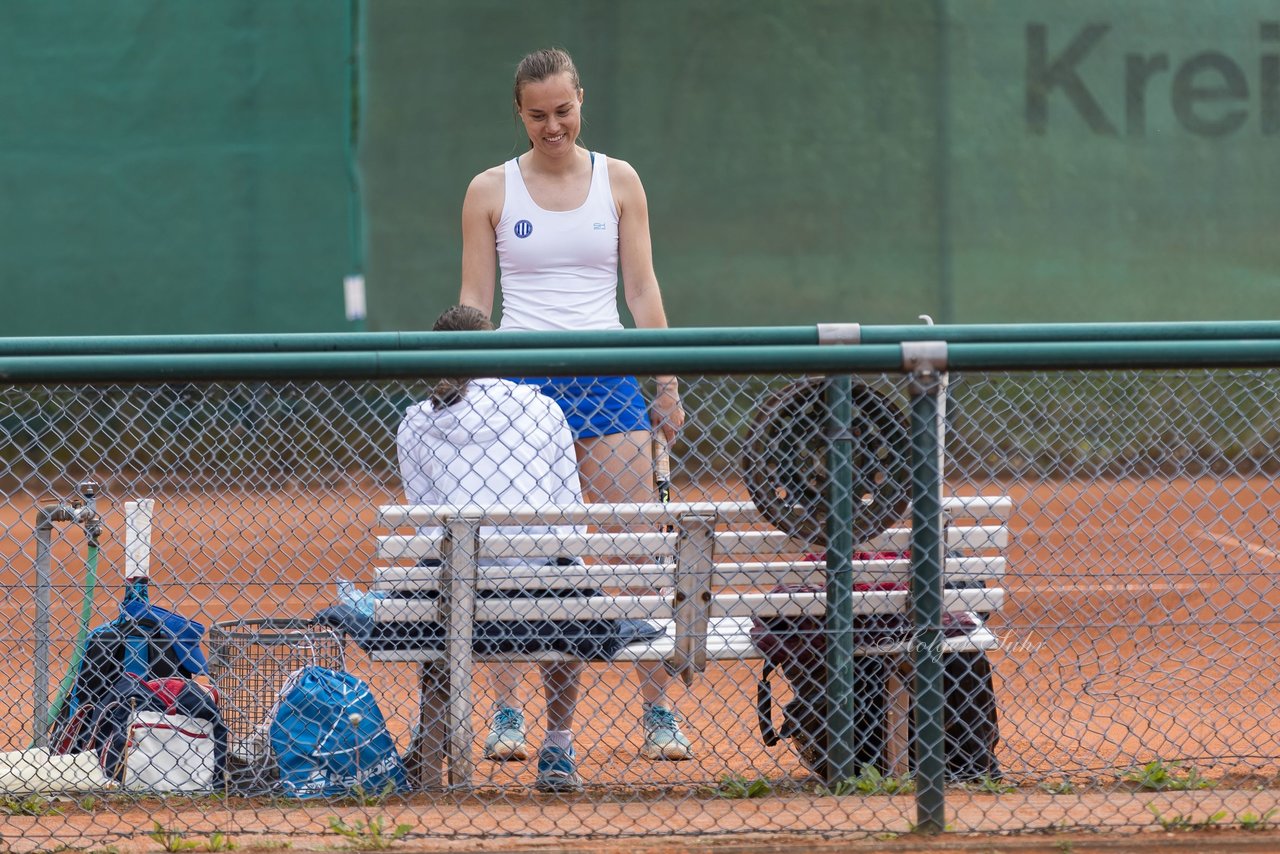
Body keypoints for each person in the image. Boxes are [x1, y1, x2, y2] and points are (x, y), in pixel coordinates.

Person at [458, 47, 691, 761]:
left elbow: (642, 289)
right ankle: (507, 714)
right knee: (519, 558)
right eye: (537, 115)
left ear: (581, 101)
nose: (552, 126)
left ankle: (656, 711)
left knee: (637, 548)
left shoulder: (619, 181)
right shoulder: (489, 190)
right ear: (519, 113)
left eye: (563, 111)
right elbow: (474, 302)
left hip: (606, 382)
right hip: (520, 390)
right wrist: (468, 386)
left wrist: (667, 384)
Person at [396, 305, 588, 792]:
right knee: (570, 569)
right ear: (495, 348)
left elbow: (426, 523)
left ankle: (434, 744)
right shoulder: (542, 407)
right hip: (545, 600)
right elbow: (571, 511)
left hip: (461, 601)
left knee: (432, 575)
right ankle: (558, 746)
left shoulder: (416, 422)